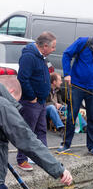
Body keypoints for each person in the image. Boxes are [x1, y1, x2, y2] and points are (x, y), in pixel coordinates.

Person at [16, 32, 57, 172]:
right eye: (53, 47)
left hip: (41, 102)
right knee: (27, 131)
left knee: (41, 130)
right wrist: (32, 96)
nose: (54, 50)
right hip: (31, 102)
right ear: (45, 46)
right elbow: (22, 78)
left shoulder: (42, 57)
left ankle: (43, 158)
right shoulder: (29, 56)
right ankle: (22, 160)